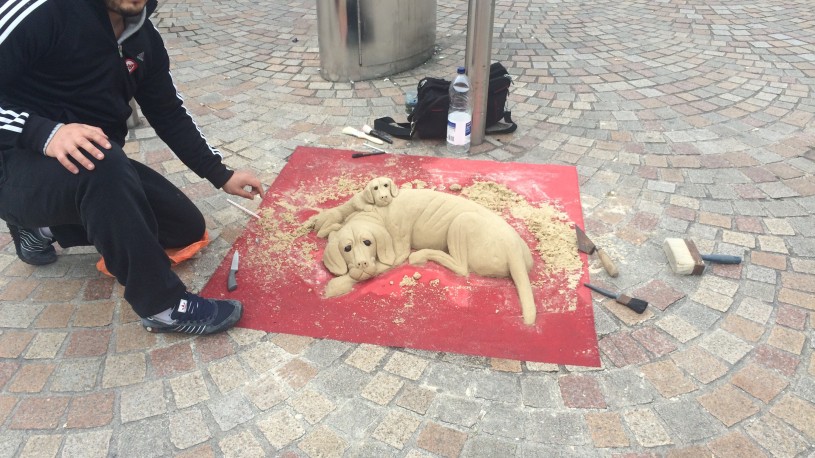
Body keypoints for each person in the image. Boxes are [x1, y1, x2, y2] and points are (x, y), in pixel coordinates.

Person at [0, 0, 264, 335]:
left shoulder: (142, 35)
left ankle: (43, 229)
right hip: (14, 162)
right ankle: (162, 305)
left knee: (184, 227)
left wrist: (220, 173)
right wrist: (42, 132)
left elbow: (168, 111)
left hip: (93, 165)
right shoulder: (43, 11)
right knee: (103, 161)